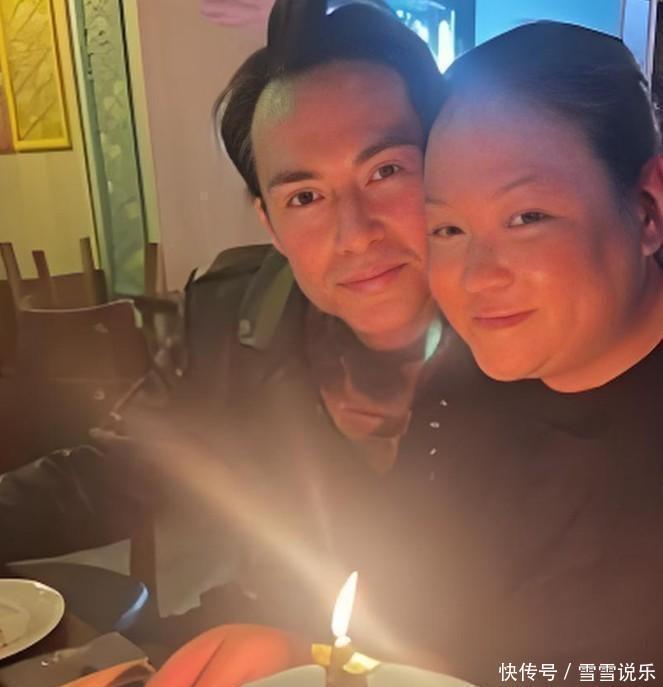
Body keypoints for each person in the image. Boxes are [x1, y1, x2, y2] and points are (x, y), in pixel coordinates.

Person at [150, 21, 663, 687]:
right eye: (447, 227)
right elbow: (426, 635)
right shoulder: (462, 391)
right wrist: (306, 656)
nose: (476, 275)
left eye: (526, 217)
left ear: (647, 208)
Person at [0, 0, 445, 669]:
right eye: (304, 197)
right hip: (267, 649)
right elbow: (114, 474)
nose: (354, 234)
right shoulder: (233, 323)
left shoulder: (541, 340)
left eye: (386, 171)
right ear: (269, 223)